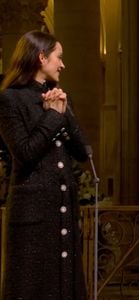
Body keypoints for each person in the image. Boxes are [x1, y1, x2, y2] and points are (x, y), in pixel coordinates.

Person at [0, 30, 88, 299]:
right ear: (41, 58)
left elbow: (82, 151)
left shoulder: (59, 96)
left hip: (62, 209)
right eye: (58, 57)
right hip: (32, 215)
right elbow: (25, 153)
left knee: (65, 286)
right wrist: (51, 117)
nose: (62, 64)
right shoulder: (9, 99)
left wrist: (63, 110)